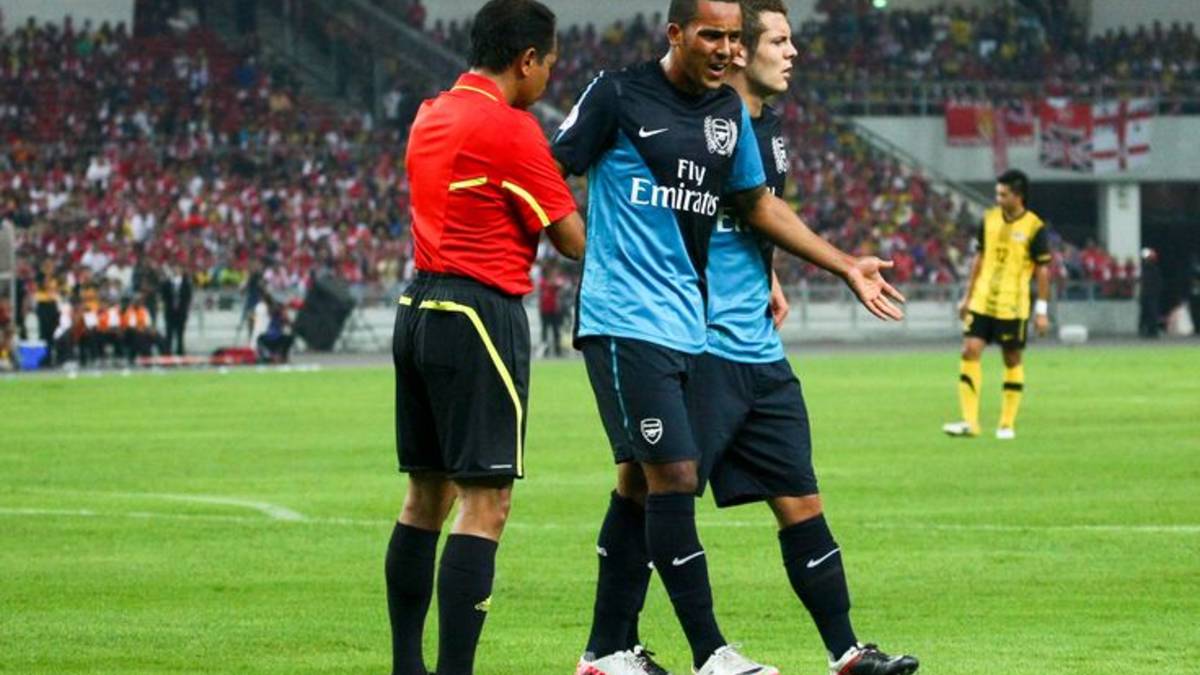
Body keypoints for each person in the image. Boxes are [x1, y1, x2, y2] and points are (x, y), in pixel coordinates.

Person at [554, 2, 904, 674]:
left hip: (716, 335)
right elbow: (552, 166)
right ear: (679, 34)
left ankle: (839, 651)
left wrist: (835, 265)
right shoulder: (621, 94)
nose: (727, 47)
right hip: (651, 327)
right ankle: (695, 652)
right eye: (716, 35)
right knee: (660, 482)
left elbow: (754, 204)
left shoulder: (732, 119)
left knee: (686, 487)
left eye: (734, 36)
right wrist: (574, 238)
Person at [687, 3, 919, 673]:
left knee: (800, 500)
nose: (793, 53)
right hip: (699, 346)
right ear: (739, 50)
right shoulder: (699, 126)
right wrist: (842, 264)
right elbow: (696, 216)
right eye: (780, 41)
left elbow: (752, 214)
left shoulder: (770, 128)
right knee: (655, 498)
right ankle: (616, 646)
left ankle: (846, 652)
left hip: (759, 349)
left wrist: (768, 273)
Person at [384, 2, 586, 675]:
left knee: (425, 496)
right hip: (478, 312)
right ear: (526, 60)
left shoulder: (430, 113)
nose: (549, 77)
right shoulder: (511, 128)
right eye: (549, 64)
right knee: (486, 503)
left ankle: (407, 665)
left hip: (417, 305)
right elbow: (572, 239)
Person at [943, 169, 1052, 440]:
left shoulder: (1034, 227)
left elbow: (1042, 271)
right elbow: (979, 259)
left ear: (1018, 196)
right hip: (983, 300)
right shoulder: (989, 219)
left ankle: (1006, 424)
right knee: (969, 351)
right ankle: (970, 422)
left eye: (1003, 195)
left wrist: (1041, 311)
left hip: (1012, 305)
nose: (998, 199)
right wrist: (967, 297)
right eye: (997, 194)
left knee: (1011, 358)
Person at [160, 264, 192, 355]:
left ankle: (180, 351)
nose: (176, 270)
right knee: (169, 332)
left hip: (181, 312)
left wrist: (183, 307)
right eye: (174, 269)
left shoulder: (186, 283)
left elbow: (188, 297)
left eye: (178, 269)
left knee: (180, 333)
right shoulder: (167, 283)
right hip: (170, 311)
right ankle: (167, 351)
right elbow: (164, 296)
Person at [538, 260, 567, 357]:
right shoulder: (543, 282)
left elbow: (560, 284)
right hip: (545, 310)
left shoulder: (556, 281)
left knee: (556, 330)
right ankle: (545, 350)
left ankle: (558, 350)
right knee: (545, 330)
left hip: (554, 310)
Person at [1138, 248, 1162, 338]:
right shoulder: (1144, 270)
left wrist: (1154, 293)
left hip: (1151, 295)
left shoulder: (1154, 270)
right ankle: (1145, 330)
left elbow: (1158, 284)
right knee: (1145, 313)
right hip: (1146, 295)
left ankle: (1152, 331)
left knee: (1152, 313)